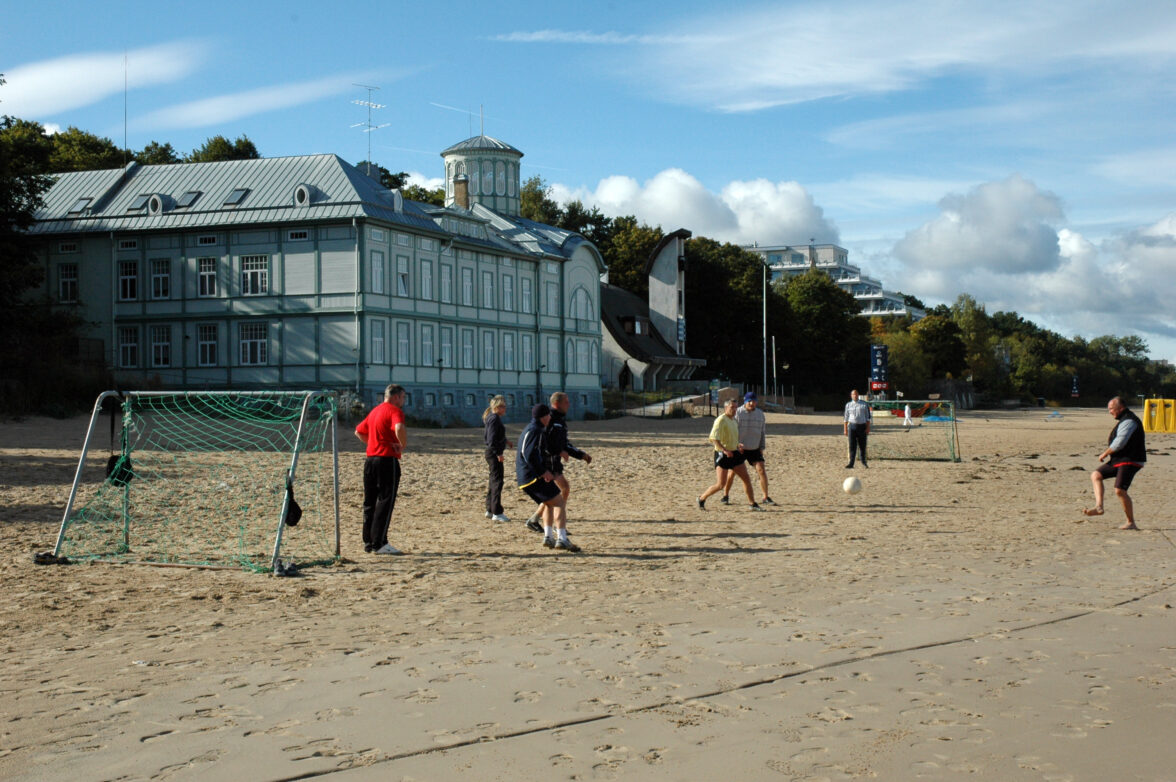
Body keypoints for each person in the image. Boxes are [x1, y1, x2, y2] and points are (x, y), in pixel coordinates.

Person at [525, 391, 592, 533]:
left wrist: (580, 454)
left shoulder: (559, 420)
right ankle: (553, 525)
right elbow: (545, 443)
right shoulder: (550, 419)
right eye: (566, 402)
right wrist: (558, 451)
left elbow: (563, 443)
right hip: (548, 462)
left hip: (555, 462)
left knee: (559, 492)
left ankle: (535, 519)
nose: (569, 404)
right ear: (557, 404)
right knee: (558, 493)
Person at [517, 403, 580, 552]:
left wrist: (543, 471)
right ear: (544, 417)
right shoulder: (535, 431)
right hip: (531, 476)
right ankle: (562, 539)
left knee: (549, 503)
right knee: (559, 502)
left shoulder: (532, 428)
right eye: (548, 415)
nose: (550, 417)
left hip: (526, 477)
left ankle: (548, 537)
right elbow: (529, 455)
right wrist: (542, 472)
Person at [355, 384, 407, 554]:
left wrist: (372, 443)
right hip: (386, 459)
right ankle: (379, 543)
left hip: (370, 459)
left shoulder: (375, 411)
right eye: (403, 397)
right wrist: (402, 445)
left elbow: (359, 432)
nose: (403, 401)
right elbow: (399, 427)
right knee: (386, 500)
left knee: (370, 501)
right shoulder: (394, 411)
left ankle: (368, 541)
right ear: (396, 397)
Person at [1083, 396, 1145, 530]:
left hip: (1131, 460)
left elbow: (1120, 443)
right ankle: (1099, 507)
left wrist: (1105, 453)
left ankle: (1131, 522)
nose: (1109, 412)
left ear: (1120, 408)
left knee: (1119, 490)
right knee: (1096, 475)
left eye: (1111, 409)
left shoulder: (1129, 420)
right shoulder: (1124, 419)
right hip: (1120, 460)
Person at [698, 398, 762, 511]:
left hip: (735, 453)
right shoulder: (720, 420)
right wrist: (724, 450)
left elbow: (732, 437)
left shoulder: (733, 420)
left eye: (736, 407)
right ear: (726, 408)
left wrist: (738, 445)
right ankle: (702, 498)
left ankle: (752, 504)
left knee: (746, 478)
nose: (734, 410)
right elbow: (714, 438)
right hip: (722, 455)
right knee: (720, 484)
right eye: (732, 407)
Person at [720, 391, 774, 505]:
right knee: (732, 473)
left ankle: (765, 497)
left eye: (754, 401)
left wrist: (761, 446)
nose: (751, 403)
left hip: (754, 447)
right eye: (749, 401)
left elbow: (762, 432)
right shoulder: (738, 413)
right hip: (739, 448)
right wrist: (735, 445)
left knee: (761, 470)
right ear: (745, 401)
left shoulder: (760, 414)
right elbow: (732, 430)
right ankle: (725, 495)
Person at [482, 395, 514, 522]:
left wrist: (506, 441)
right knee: (497, 482)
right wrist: (498, 453)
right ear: (496, 407)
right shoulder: (494, 418)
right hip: (493, 453)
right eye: (502, 406)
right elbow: (491, 439)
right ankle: (497, 512)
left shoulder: (493, 418)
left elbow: (496, 435)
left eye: (505, 406)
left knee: (493, 480)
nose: (504, 408)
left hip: (491, 452)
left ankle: (489, 509)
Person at [844, 389, 871, 468]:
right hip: (852, 427)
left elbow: (868, 418)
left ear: (858, 395)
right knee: (852, 446)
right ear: (851, 396)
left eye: (856, 394)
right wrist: (845, 429)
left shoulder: (864, 404)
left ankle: (864, 462)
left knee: (862, 445)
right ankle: (851, 463)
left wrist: (868, 428)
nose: (855, 396)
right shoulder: (848, 405)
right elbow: (845, 418)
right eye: (853, 394)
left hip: (862, 426)